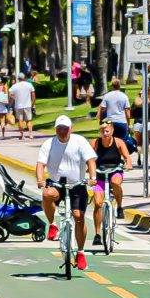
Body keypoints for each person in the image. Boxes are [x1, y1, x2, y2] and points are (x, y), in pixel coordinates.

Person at [36, 115, 97, 272]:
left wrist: (93, 177)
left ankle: (81, 252)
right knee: (47, 194)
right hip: (57, 184)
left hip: (77, 184)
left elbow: (90, 160)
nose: (62, 132)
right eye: (59, 129)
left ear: (71, 129)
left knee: (78, 216)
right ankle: (53, 225)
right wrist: (40, 180)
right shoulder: (48, 144)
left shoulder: (80, 141)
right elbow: (40, 164)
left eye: (65, 129)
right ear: (55, 129)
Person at [91, 118, 133, 244]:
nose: (105, 133)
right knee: (98, 203)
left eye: (107, 130)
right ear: (100, 131)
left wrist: (128, 164)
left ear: (112, 131)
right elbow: (88, 159)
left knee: (115, 183)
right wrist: (88, 170)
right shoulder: (94, 143)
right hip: (99, 174)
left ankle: (119, 206)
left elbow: (127, 157)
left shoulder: (119, 142)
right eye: (103, 130)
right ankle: (98, 234)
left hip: (115, 171)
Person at [8, 73, 36, 140]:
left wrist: (14, 98)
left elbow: (9, 93)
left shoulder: (15, 86)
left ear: (18, 78)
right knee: (29, 120)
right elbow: (33, 95)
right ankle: (30, 134)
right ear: (24, 77)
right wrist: (33, 103)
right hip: (28, 105)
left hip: (18, 105)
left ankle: (22, 135)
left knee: (20, 120)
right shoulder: (29, 85)